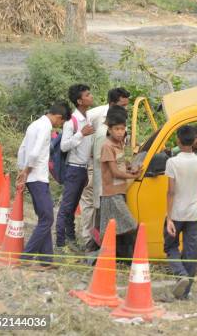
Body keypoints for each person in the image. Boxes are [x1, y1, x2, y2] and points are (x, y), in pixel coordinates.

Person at [16, 101, 72, 269]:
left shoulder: (34, 124)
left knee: (44, 218)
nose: (59, 125)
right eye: (61, 122)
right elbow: (33, 153)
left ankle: (46, 260)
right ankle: (26, 257)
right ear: (58, 117)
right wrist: (26, 172)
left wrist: (22, 170)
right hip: (37, 177)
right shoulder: (45, 127)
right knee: (47, 218)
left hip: (34, 177)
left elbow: (22, 149)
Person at [80, 88, 131, 252]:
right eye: (122, 106)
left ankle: (100, 247)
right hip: (105, 182)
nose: (125, 109)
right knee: (100, 214)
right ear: (112, 105)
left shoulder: (118, 127)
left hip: (112, 183)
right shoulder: (104, 132)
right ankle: (92, 245)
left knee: (105, 219)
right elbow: (100, 161)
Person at [164, 125, 197, 300]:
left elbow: (171, 192)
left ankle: (180, 274)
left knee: (170, 246)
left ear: (178, 140)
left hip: (176, 214)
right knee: (191, 251)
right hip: (195, 214)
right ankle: (186, 292)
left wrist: (168, 218)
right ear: (194, 141)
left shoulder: (172, 162)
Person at [55, 84, 95, 253]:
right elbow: (64, 146)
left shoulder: (88, 119)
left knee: (72, 207)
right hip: (74, 168)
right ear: (79, 101)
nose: (91, 96)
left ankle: (70, 239)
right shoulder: (72, 121)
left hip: (83, 168)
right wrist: (81, 134)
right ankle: (60, 242)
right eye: (87, 95)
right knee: (66, 207)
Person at [99, 109, 140, 261]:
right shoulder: (107, 146)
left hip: (120, 191)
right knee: (130, 225)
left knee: (114, 229)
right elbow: (115, 172)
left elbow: (122, 164)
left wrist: (131, 168)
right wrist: (133, 176)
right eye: (117, 129)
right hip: (111, 193)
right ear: (109, 129)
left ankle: (116, 259)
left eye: (122, 129)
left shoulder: (120, 144)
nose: (120, 132)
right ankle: (131, 259)